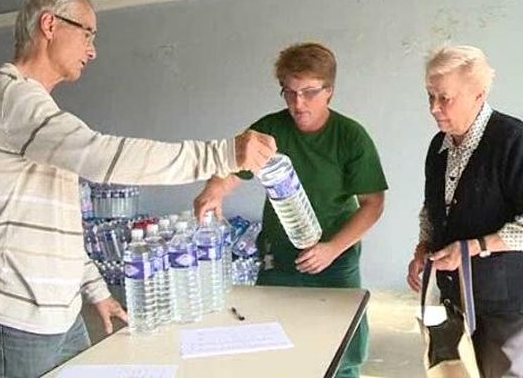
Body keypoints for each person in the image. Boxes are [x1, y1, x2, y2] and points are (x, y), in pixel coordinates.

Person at [0, 0, 276, 378]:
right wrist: (221, 155)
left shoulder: (35, 110)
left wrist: (94, 289)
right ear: (49, 25)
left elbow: (56, 223)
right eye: (88, 34)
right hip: (17, 313)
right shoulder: (6, 96)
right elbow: (102, 155)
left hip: (60, 311)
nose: (92, 50)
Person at [193, 42, 388, 378]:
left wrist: (332, 248)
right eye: (290, 92)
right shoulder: (270, 129)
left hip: (334, 261)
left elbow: (373, 204)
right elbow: (233, 169)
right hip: (279, 258)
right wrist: (214, 189)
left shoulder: (350, 137)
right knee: (274, 345)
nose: (298, 103)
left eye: (309, 92)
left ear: (330, 91)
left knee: (341, 351)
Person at [406, 45, 523, 377]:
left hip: (504, 306)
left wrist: (475, 248)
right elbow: (432, 208)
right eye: (430, 96)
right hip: (453, 297)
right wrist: (423, 247)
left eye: (445, 98)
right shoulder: (439, 147)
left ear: (478, 94)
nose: (434, 108)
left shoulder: (513, 141)